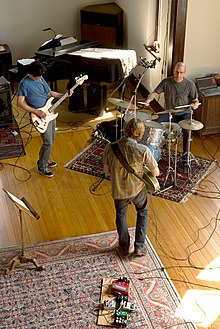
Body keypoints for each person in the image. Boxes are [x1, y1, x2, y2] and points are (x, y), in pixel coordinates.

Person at [103, 118, 160, 257]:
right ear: (140, 134)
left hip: (119, 190)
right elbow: (156, 173)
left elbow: (106, 170)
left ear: (125, 129)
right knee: (142, 212)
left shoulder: (110, 147)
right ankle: (139, 247)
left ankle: (124, 247)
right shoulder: (143, 150)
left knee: (120, 215)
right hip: (137, 189)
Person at [17, 60, 73, 178]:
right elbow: (20, 103)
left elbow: (49, 93)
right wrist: (36, 111)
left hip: (50, 112)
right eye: (38, 76)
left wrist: (64, 94)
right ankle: (42, 167)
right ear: (31, 73)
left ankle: (43, 160)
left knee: (50, 141)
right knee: (48, 142)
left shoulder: (40, 78)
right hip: (38, 116)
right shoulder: (24, 83)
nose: (40, 77)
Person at [144, 62, 200, 162]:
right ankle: (152, 151)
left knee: (187, 130)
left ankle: (185, 155)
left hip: (184, 113)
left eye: (181, 73)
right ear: (173, 70)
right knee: (156, 125)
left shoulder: (190, 85)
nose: (179, 75)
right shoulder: (166, 82)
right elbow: (154, 93)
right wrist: (148, 100)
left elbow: (195, 100)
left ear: (185, 72)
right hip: (169, 112)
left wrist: (195, 104)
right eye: (177, 72)